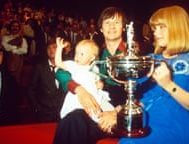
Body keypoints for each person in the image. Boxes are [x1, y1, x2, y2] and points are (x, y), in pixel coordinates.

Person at [118, 5, 189, 144]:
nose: (156, 33)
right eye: (154, 28)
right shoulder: (150, 59)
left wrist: (168, 84)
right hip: (147, 120)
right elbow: (136, 96)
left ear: (178, 27)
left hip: (183, 124)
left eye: (161, 27)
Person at [53, 6, 128, 144]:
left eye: (116, 22)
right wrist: (79, 89)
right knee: (74, 118)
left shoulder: (135, 54)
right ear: (101, 28)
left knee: (73, 123)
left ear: (124, 27)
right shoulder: (91, 49)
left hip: (121, 113)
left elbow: (144, 93)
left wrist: (117, 113)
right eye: (107, 22)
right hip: (93, 109)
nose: (112, 26)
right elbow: (61, 71)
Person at [55, 37, 114, 121]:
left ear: (92, 58)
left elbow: (98, 80)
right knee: (76, 116)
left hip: (94, 95)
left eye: (81, 54)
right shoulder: (74, 65)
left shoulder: (95, 68)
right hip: (77, 97)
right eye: (76, 53)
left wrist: (99, 83)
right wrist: (59, 49)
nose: (77, 57)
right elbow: (58, 63)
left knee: (103, 110)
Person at [27, 38, 65, 123]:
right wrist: (37, 107)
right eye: (49, 48)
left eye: (54, 47)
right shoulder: (39, 67)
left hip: (62, 111)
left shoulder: (66, 67)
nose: (51, 50)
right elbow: (30, 90)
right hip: (44, 112)